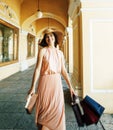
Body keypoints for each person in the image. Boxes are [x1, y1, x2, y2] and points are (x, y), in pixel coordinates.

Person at [28, 28, 75, 130]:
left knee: (57, 108)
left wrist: (70, 86)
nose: (49, 38)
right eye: (47, 36)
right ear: (45, 39)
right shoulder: (43, 51)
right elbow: (37, 70)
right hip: (45, 82)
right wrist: (32, 87)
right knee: (44, 109)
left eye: (51, 36)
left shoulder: (60, 53)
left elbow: (63, 71)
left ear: (55, 38)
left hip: (57, 83)